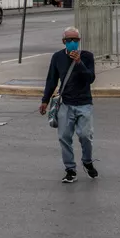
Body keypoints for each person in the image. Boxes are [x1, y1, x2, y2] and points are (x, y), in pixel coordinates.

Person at [39, 26, 97, 183]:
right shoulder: (57, 57)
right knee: (64, 137)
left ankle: (87, 161)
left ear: (79, 41)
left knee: (85, 136)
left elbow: (90, 78)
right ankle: (70, 169)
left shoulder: (87, 56)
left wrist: (79, 63)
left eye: (75, 40)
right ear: (64, 42)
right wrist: (45, 100)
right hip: (65, 103)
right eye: (69, 40)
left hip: (84, 103)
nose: (72, 43)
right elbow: (51, 80)